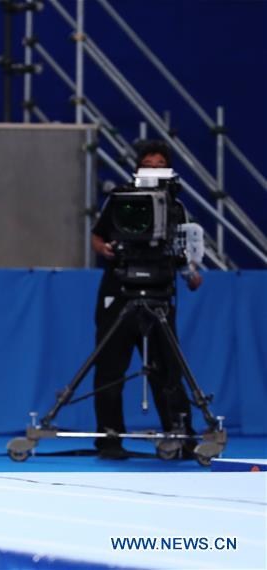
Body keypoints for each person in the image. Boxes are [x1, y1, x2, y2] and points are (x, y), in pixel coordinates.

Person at [90, 140, 203, 459]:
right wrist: (104, 249)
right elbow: (98, 236)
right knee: (110, 366)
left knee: (167, 368)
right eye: (148, 165)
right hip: (119, 290)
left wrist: (190, 272)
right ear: (137, 168)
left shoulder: (177, 208)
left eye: (160, 165)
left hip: (159, 292)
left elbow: (184, 250)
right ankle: (109, 437)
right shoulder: (120, 199)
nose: (153, 170)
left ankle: (180, 435)